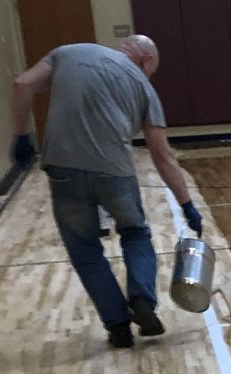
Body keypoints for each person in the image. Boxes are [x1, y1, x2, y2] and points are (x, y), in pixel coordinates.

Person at [10, 34, 203, 348]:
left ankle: (118, 327)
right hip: (115, 170)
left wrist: (20, 135)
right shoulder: (144, 86)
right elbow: (162, 155)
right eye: (152, 69)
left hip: (63, 168)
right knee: (135, 233)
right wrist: (187, 205)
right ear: (144, 61)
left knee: (86, 252)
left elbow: (22, 84)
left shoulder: (67, 51)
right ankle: (142, 300)